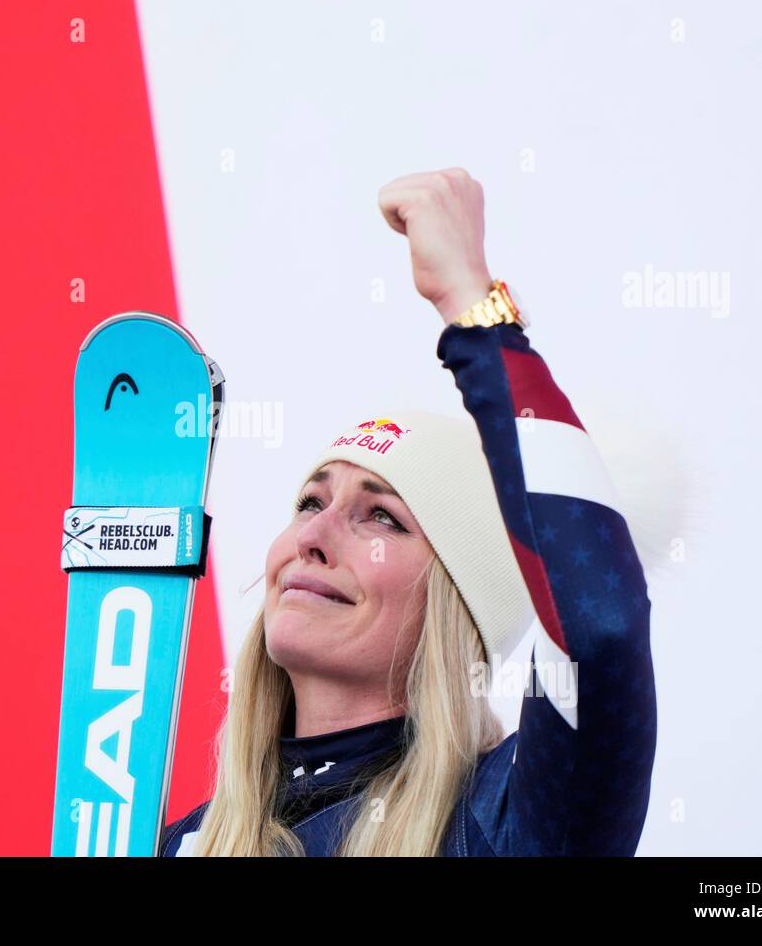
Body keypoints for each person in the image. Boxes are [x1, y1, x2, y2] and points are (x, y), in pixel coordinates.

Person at [160, 169, 658, 856]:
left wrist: (473, 309)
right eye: (311, 500)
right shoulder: (183, 842)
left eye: (382, 517)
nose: (313, 535)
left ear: (460, 604)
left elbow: (599, 623)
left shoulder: (504, 821)